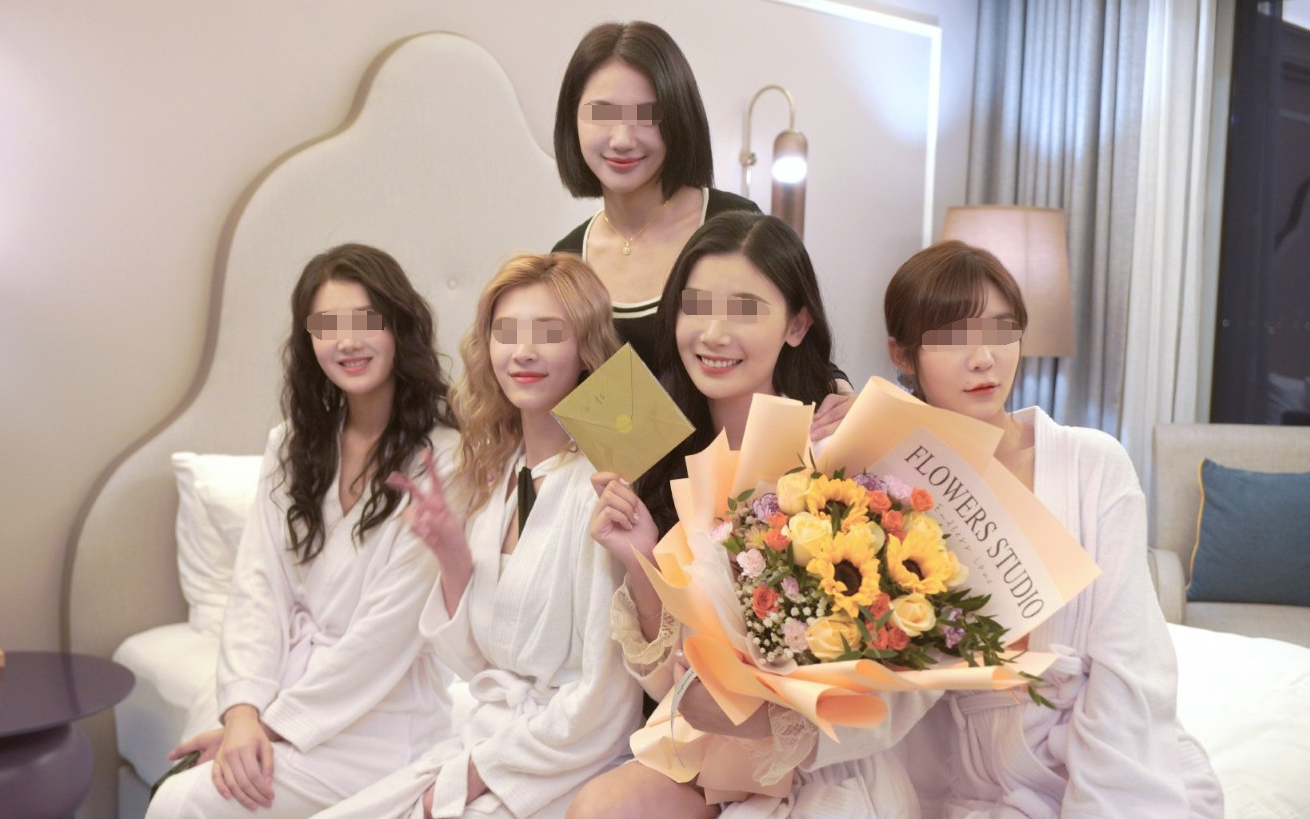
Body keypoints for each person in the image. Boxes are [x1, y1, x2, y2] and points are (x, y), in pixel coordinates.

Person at [567, 212, 937, 819]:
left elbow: (905, 675)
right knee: (599, 809)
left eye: (744, 310)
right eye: (695, 307)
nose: (714, 333)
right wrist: (640, 558)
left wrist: (770, 720)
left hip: (824, 762)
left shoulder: (838, 450)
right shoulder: (658, 457)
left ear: (797, 325)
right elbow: (669, 686)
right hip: (705, 750)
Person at [882, 241, 1224, 818]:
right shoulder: (887, 485)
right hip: (970, 775)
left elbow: (1130, 660)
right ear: (903, 353)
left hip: (1108, 755)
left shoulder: (1092, 463)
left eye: (1000, 331)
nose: (983, 359)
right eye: (952, 337)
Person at [309, 253, 641, 819]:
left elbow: (605, 705)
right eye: (505, 333)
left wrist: (479, 772)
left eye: (549, 333)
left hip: (561, 768)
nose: (523, 352)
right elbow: (475, 666)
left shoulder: (602, 487)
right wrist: (451, 556)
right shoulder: (501, 473)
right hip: (487, 740)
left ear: (586, 348)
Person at [148, 245, 459, 818]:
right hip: (279, 694)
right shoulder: (292, 444)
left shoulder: (445, 458)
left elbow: (384, 638)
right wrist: (242, 712)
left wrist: (268, 728)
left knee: (184, 803)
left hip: (381, 719)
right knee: (182, 787)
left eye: (365, 321)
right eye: (326, 326)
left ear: (398, 326)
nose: (347, 342)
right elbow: (257, 587)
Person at [551, 21, 849, 441]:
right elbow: (581, 408)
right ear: (573, 120)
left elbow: (792, 341)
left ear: (678, 119)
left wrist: (843, 395)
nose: (622, 139)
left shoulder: (733, 224)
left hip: (752, 470)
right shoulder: (566, 261)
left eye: (647, 117)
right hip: (634, 478)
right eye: (601, 114)